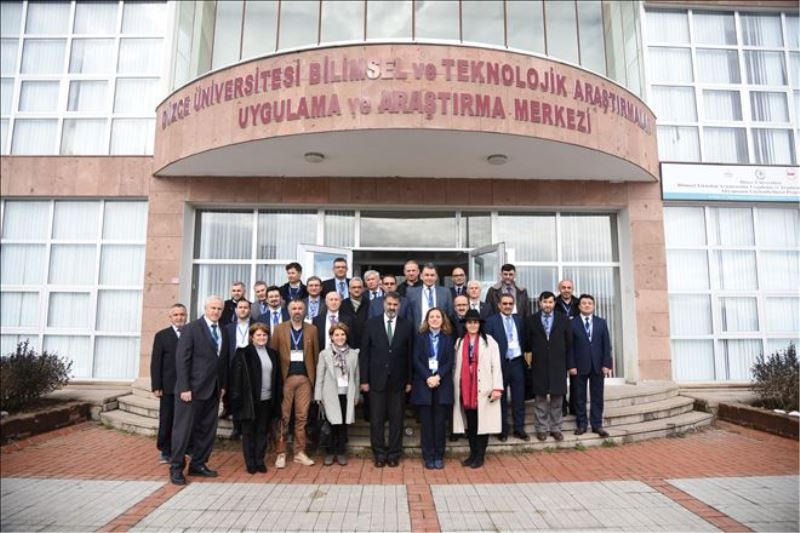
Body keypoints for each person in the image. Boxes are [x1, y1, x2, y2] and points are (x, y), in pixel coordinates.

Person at [169, 296, 230, 485]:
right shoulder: (191, 328)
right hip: (191, 390)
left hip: (213, 390)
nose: (216, 311)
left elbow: (223, 361)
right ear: (205, 308)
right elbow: (182, 359)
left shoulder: (223, 330)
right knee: (183, 431)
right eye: (213, 308)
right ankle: (176, 468)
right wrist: (184, 387)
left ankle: (198, 464)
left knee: (207, 430)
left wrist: (222, 385)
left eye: (219, 309)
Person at [359, 292, 414, 467]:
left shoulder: (407, 326)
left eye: (395, 305)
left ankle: (394, 454)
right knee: (376, 419)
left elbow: (410, 355)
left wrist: (409, 381)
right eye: (389, 304)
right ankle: (379, 454)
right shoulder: (371, 324)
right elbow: (364, 354)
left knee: (397, 419)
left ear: (399, 306)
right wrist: (364, 380)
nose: (392, 307)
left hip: (399, 380)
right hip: (376, 380)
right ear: (384, 304)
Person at [270, 299, 320, 467]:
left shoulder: (312, 330)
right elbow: (273, 356)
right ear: (289, 311)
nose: (297, 311)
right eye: (294, 308)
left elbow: (315, 357)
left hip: (305, 380)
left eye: (300, 308)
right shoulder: (279, 329)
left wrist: (314, 382)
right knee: (283, 417)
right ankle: (281, 453)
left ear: (304, 311)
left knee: (302, 417)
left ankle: (299, 452)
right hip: (285, 380)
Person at [453, 309, 503, 468]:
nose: (473, 325)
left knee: (484, 424)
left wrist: (497, 388)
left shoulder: (489, 341)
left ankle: (480, 456)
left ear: (480, 324)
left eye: (475, 322)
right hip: (466, 389)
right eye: (469, 322)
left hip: (484, 388)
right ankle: (472, 454)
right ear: (465, 325)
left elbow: (496, 366)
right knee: (471, 424)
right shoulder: (460, 342)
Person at [229, 323, 280, 474]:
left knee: (262, 431)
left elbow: (277, 377)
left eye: (264, 335)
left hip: (267, 400)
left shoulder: (272, 354)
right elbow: (236, 379)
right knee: (249, 432)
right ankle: (250, 462)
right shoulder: (243, 353)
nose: (262, 337)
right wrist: (236, 401)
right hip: (249, 401)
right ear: (252, 337)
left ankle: (259, 460)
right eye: (258, 335)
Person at [525, 291, 575, 442]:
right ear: (540, 303)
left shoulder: (563, 319)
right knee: (540, 399)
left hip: (558, 364)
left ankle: (556, 429)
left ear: (554, 303)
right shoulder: (531, 320)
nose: (547, 305)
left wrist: (563, 358)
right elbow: (527, 343)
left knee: (557, 399)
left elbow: (569, 342)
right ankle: (541, 429)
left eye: (550, 302)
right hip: (539, 364)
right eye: (545, 302)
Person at [410, 308, 454, 469]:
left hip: (442, 384)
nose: (435, 319)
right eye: (432, 317)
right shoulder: (420, 337)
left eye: (438, 317)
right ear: (427, 320)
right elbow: (415, 359)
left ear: (443, 320)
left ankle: (439, 455)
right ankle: (428, 456)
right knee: (427, 424)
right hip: (424, 384)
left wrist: (438, 376)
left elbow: (450, 361)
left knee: (440, 423)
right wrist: (428, 377)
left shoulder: (448, 338)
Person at [485, 293, 529, 442]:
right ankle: (502, 430)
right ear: (499, 305)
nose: (508, 306)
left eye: (510, 303)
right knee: (500, 399)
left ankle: (519, 429)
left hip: (517, 363)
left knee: (519, 398)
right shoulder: (491, 322)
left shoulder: (519, 320)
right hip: (500, 364)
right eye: (505, 303)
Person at [314, 323, 360, 466]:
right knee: (331, 424)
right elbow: (320, 375)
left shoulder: (353, 354)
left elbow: (356, 376)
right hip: (330, 394)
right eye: (337, 335)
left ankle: (341, 452)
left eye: (342, 334)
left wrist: (356, 395)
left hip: (346, 394)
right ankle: (329, 452)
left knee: (343, 425)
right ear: (331, 337)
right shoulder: (324, 354)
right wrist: (318, 395)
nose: (340, 337)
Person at [571, 294, 612, 438]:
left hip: (598, 366)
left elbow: (606, 345)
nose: (587, 305)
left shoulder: (601, 322)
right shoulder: (572, 323)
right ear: (579, 306)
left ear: (593, 306)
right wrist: (571, 365)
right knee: (579, 397)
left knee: (597, 397)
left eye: (589, 303)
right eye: (584, 303)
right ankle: (581, 424)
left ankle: (597, 425)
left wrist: (607, 364)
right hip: (579, 366)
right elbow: (569, 347)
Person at [150, 303, 187, 463]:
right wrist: (156, 385)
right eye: (175, 315)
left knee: (185, 420)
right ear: (170, 317)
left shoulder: (191, 333)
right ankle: (165, 450)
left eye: (182, 314)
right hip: (168, 386)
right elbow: (156, 362)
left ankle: (186, 447)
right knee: (167, 419)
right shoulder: (162, 336)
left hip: (187, 386)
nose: (179, 317)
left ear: (186, 316)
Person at [222, 299, 253, 436]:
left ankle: (247, 427)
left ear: (249, 310)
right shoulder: (228, 328)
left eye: (245, 307)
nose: (243, 310)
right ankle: (236, 427)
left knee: (248, 397)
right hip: (233, 366)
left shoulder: (256, 325)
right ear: (236, 310)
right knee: (235, 397)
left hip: (250, 364)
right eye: (240, 307)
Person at [554, 279, 580, 416]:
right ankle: (562, 406)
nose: (566, 290)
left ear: (572, 289)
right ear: (559, 289)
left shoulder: (578, 303)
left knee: (576, 378)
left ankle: (574, 406)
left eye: (569, 287)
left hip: (576, 345)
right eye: (563, 287)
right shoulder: (554, 303)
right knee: (560, 378)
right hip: (560, 345)